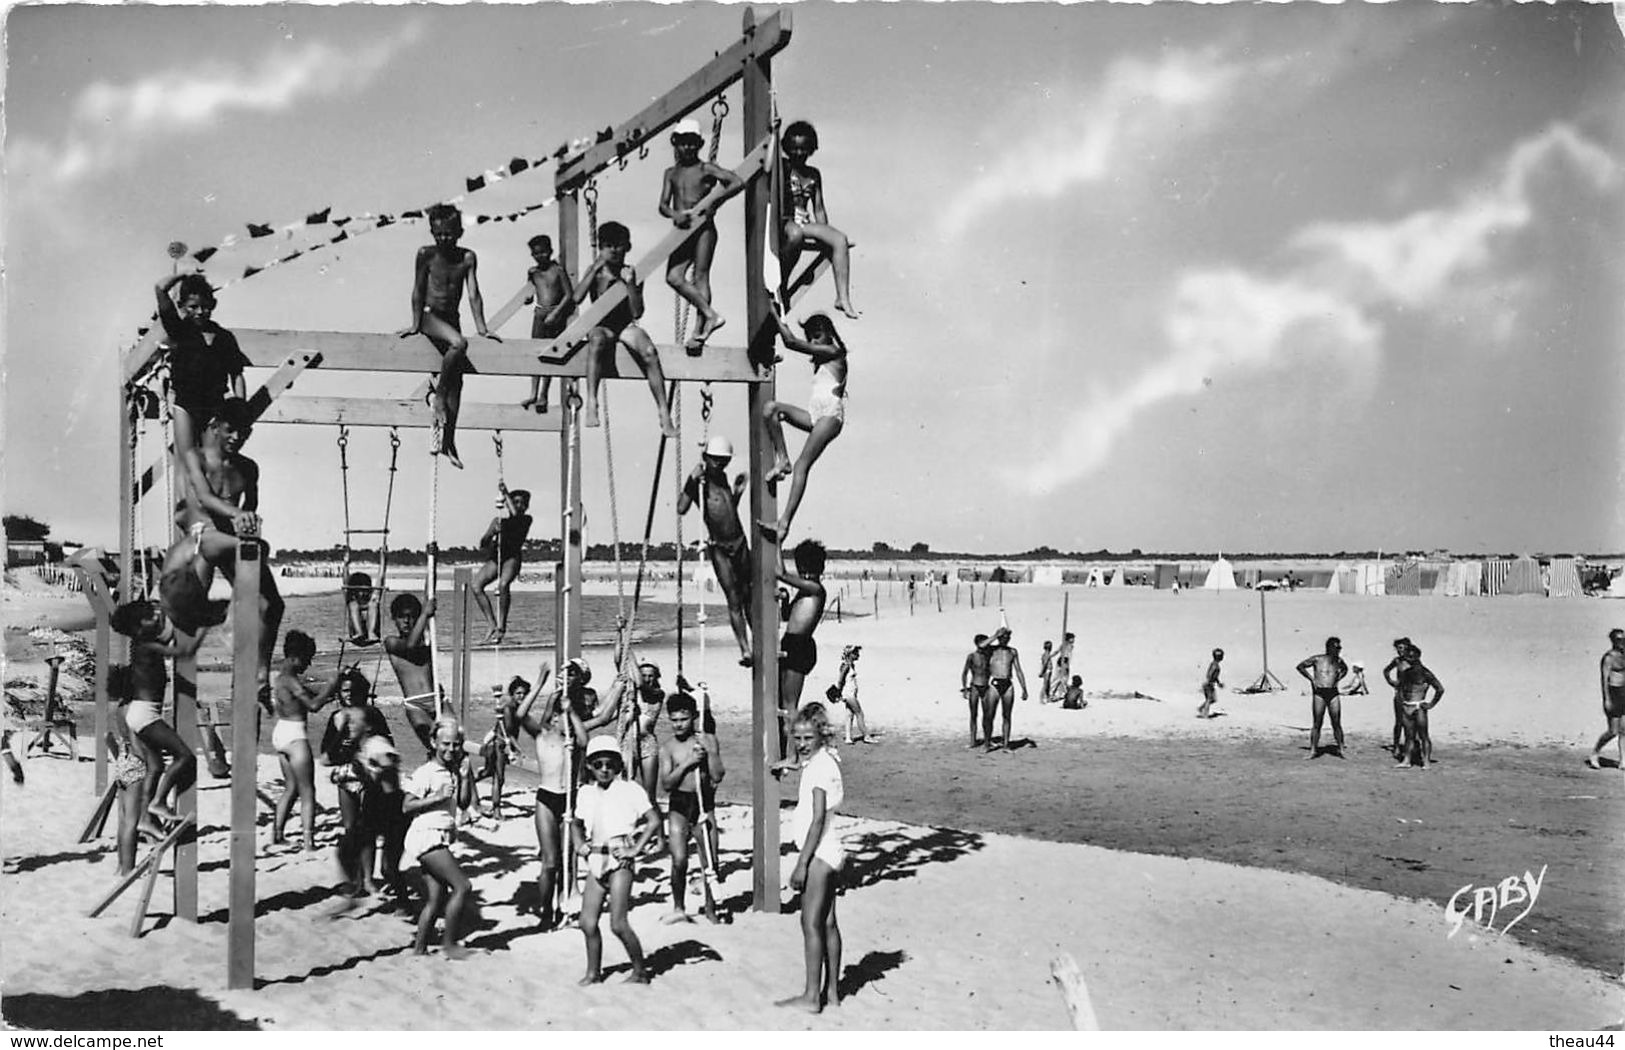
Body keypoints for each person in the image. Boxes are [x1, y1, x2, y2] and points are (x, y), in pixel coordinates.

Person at [172, 398, 286, 694]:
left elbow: (252, 504)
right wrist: (237, 515)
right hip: (204, 533)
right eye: (231, 430)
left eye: (245, 432)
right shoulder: (195, 457)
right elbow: (207, 498)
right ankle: (190, 660)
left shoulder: (248, 467)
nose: (238, 438)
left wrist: (247, 522)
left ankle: (260, 672)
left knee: (272, 604)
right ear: (215, 426)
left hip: (233, 539)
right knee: (192, 606)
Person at [397, 203, 499, 469]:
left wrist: (483, 329)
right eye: (439, 234)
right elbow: (418, 290)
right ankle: (439, 398)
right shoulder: (426, 255)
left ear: (460, 232)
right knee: (459, 344)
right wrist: (415, 324)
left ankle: (449, 440)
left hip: (452, 319)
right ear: (432, 232)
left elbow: (474, 294)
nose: (444, 239)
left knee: (459, 383)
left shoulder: (467, 258)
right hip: (431, 317)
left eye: (449, 234)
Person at [560, 220, 677, 437]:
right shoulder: (596, 271)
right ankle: (593, 401)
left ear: (627, 247)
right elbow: (576, 298)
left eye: (618, 245)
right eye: (607, 245)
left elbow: (636, 312)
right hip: (603, 326)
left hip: (624, 325)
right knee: (596, 341)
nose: (613, 250)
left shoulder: (631, 272)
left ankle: (663, 412)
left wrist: (631, 284)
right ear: (601, 248)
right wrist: (594, 269)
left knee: (650, 352)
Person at [772, 703, 846, 1014]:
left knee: (810, 923)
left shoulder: (818, 768)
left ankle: (811, 996)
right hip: (832, 850)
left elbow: (817, 819)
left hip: (818, 853)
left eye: (807, 738)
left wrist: (802, 863)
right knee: (828, 922)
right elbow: (802, 761)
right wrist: (788, 762)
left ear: (820, 736)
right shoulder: (825, 759)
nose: (802, 744)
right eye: (797, 738)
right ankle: (832, 992)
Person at [571, 735, 660, 984]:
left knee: (618, 924)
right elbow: (576, 825)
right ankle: (593, 973)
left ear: (618, 765)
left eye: (609, 764)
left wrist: (635, 850)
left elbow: (654, 820)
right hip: (595, 858)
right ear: (589, 765)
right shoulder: (586, 793)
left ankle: (640, 971)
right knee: (587, 922)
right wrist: (578, 843)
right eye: (598, 764)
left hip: (620, 858)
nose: (604, 769)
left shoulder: (630, 790)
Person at [505, 662, 586, 931]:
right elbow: (520, 713)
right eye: (552, 717)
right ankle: (545, 912)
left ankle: (566, 905)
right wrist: (540, 681)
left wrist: (570, 711)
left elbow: (585, 740)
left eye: (558, 718)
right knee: (550, 862)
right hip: (547, 800)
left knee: (568, 860)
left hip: (570, 801)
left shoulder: (572, 741)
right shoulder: (541, 736)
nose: (555, 721)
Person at [154, 272, 249, 497]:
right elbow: (159, 289)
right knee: (187, 456)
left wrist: (239, 409)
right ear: (183, 306)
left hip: (214, 407)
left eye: (204, 306)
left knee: (212, 457)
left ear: (212, 305)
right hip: (186, 404)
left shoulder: (224, 337)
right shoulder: (180, 329)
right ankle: (188, 505)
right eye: (193, 306)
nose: (199, 312)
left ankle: (213, 504)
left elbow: (237, 374)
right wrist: (184, 274)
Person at [109, 599, 202, 824]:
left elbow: (166, 631)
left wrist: (162, 610)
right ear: (139, 626)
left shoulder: (141, 642)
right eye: (150, 618)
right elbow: (182, 646)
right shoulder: (148, 644)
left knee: (156, 765)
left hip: (139, 713)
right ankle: (158, 801)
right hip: (146, 715)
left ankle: (144, 819)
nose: (156, 620)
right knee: (185, 757)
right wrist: (201, 627)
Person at [759, 309, 848, 542]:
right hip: (815, 414)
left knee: (803, 466)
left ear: (829, 334)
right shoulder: (820, 361)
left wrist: (775, 313)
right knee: (770, 409)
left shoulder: (834, 352)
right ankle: (782, 459)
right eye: (811, 338)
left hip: (830, 415)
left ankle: (784, 523)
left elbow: (790, 342)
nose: (813, 342)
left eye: (817, 336)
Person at [659, 119, 742, 352]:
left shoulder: (706, 169)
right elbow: (663, 206)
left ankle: (700, 331)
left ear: (699, 145)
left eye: (692, 144)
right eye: (683, 144)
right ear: (675, 144)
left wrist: (713, 202)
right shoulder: (671, 173)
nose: (688, 149)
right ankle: (710, 314)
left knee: (701, 277)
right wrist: (676, 214)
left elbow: (736, 181)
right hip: (683, 229)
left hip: (704, 228)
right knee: (674, 277)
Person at [402, 718, 476, 959]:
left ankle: (420, 948)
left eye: (455, 745)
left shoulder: (452, 771)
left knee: (436, 897)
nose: (450, 750)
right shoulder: (426, 772)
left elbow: (464, 803)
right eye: (445, 743)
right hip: (427, 836)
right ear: (433, 742)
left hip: (439, 836)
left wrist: (464, 777)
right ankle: (450, 945)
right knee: (463, 886)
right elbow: (407, 806)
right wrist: (436, 797)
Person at [270, 630, 349, 852]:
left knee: (291, 788)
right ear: (296, 657)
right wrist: (333, 684)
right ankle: (308, 842)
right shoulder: (292, 680)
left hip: (281, 732)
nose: (309, 664)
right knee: (308, 791)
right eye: (307, 659)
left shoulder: (280, 678)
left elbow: (307, 694)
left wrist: (329, 687)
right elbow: (313, 706)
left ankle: (277, 834)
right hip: (295, 736)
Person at [677, 435, 753, 666]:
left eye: (724, 460)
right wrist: (691, 479)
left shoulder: (723, 478)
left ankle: (759, 641)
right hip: (719, 546)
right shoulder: (700, 482)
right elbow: (681, 508)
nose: (720, 464)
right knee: (734, 599)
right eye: (716, 460)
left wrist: (738, 492)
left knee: (749, 596)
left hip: (739, 541)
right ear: (706, 458)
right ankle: (745, 649)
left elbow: (727, 510)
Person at [777, 119, 858, 319]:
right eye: (794, 149)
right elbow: (769, 161)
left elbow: (819, 208)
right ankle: (781, 285)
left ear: (811, 149)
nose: (798, 153)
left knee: (840, 239)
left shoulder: (813, 174)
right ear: (787, 148)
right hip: (786, 221)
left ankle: (843, 298)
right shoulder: (783, 167)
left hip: (805, 221)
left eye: (803, 149)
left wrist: (826, 235)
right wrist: (774, 133)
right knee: (794, 235)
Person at [659, 689, 725, 924]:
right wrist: (688, 763)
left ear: (694, 716)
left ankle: (710, 909)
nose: (678, 725)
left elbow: (717, 775)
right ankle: (679, 906)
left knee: (711, 860)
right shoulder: (667, 748)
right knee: (679, 860)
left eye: (683, 719)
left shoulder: (706, 739)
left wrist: (710, 754)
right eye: (674, 720)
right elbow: (666, 784)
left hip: (703, 804)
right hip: (679, 806)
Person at [776, 540, 829, 758]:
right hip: (791, 642)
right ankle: (783, 750)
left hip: (800, 646)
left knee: (790, 705)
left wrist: (776, 545)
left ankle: (792, 755)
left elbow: (780, 573)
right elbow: (789, 616)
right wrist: (785, 599)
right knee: (782, 704)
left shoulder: (815, 588)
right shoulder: (806, 589)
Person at [517, 234, 574, 413]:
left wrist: (557, 313)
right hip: (539, 314)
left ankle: (543, 395)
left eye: (542, 253)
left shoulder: (558, 271)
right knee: (535, 353)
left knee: (549, 355)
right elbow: (529, 295)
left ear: (550, 252)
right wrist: (527, 300)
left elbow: (568, 295)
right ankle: (533, 393)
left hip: (554, 315)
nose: (539, 256)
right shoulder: (533, 273)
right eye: (535, 254)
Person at [472, 484, 532, 645]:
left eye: (522, 503)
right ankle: (491, 623)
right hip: (496, 558)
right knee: (476, 586)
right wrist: (492, 533)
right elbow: (483, 543)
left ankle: (501, 627)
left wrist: (505, 493)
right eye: (516, 502)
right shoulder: (498, 521)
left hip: (512, 558)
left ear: (526, 506)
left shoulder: (526, 520)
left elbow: (515, 515)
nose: (519, 505)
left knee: (503, 585)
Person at [384, 593, 440, 751]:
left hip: (437, 698)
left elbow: (428, 592)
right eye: (401, 617)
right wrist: (425, 614)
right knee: (436, 747)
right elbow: (410, 646)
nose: (407, 621)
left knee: (456, 742)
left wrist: (426, 611)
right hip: (416, 704)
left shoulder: (427, 639)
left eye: (411, 617)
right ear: (394, 619)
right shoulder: (391, 642)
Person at [1296, 637, 1349, 759]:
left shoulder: (1339, 661)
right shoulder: (1318, 659)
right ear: (1329, 648)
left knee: (1336, 722)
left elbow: (1345, 670)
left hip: (1333, 693)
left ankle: (1341, 748)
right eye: (1337, 647)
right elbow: (1300, 666)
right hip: (1319, 693)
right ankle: (1313, 750)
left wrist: (1338, 678)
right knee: (1317, 722)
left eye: (1339, 648)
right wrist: (1311, 679)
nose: (1339, 650)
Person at [1394, 644, 1444, 770]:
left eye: (1412, 657)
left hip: (1418, 706)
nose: (1410, 659)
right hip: (1407, 706)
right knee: (1408, 737)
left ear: (1418, 657)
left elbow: (1440, 689)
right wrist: (1402, 703)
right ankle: (1407, 760)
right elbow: (1400, 688)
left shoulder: (1425, 673)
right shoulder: (1406, 673)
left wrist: (1431, 704)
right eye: (1408, 657)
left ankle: (1426, 761)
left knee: (1423, 735)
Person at [983, 626, 1028, 751]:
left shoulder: (1012, 651)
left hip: (1008, 684)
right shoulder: (992, 650)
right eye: (1003, 637)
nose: (1005, 640)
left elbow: (1018, 670)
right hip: (995, 684)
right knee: (989, 715)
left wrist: (1024, 688)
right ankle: (987, 743)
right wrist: (995, 635)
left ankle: (1006, 744)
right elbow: (981, 646)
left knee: (1007, 716)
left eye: (1007, 637)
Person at [1587, 628, 1625, 771]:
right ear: (1613, 641)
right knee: (1613, 731)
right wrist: (1607, 700)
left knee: (1624, 730)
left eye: (1623, 639)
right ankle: (1595, 753)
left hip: (1624, 693)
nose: (1622, 643)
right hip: (1613, 694)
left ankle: (1623, 760)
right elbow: (1604, 680)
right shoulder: (1608, 658)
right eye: (1618, 640)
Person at [826, 644, 867, 744]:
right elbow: (840, 680)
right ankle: (866, 736)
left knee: (849, 714)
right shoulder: (846, 666)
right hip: (849, 694)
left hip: (849, 693)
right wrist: (838, 692)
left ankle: (848, 738)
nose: (858, 654)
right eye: (855, 652)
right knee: (859, 713)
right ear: (849, 654)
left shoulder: (849, 665)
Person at [1382, 637, 1414, 759]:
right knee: (1399, 721)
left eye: (1402, 648)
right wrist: (1391, 682)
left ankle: (1409, 746)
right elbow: (1386, 671)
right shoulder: (1397, 661)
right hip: (1400, 693)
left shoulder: (1413, 661)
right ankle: (1396, 745)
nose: (1400, 651)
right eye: (1398, 648)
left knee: (1411, 722)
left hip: (1411, 694)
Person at [961, 634, 992, 748]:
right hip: (974, 686)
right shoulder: (972, 656)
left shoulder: (988, 656)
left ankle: (987, 740)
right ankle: (973, 740)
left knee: (987, 715)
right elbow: (965, 673)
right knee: (973, 714)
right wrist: (964, 688)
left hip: (985, 687)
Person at [344, 571, 376, 646]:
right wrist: (346, 566)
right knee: (353, 605)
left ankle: (371, 632)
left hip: (371, 636)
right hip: (354, 634)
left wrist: (383, 563)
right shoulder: (351, 600)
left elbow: (380, 580)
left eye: (365, 590)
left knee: (373, 604)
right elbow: (346, 585)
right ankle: (359, 633)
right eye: (361, 591)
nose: (363, 594)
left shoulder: (371, 600)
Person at [1049, 633, 1076, 704]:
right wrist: (1050, 656)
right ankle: (1051, 692)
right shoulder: (1065, 645)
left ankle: (1061, 693)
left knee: (1064, 679)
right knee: (1058, 678)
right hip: (1063, 661)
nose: (1073, 640)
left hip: (1065, 662)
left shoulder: (1070, 646)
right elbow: (1058, 652)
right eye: (1072, 638)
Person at [1198, 648, 1224, 719]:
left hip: (1210, 683)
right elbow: (1210, 674)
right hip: (1209, 684)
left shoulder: (1215, 665)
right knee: (1209, 699)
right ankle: (1205, 714)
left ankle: (1201, 708)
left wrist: (1218, 683)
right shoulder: (1215, 665)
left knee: (1212, 699)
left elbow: (1215, 676)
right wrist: (1209, 681)